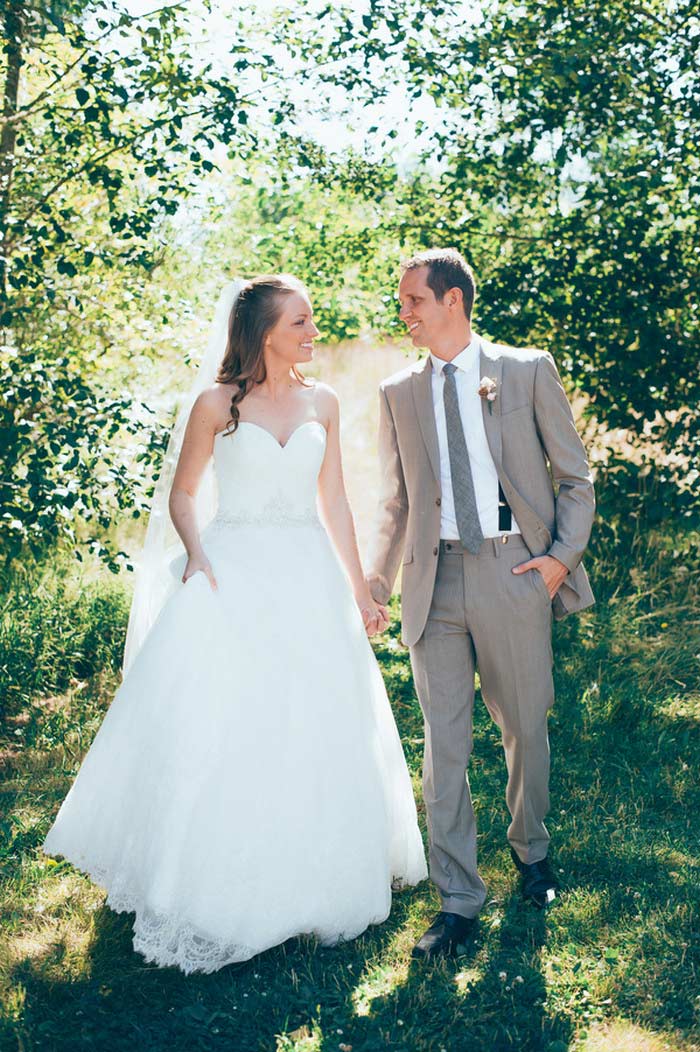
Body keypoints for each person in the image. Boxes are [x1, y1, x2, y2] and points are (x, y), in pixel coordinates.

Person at [43, 274, 427, 974]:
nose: (314, 332)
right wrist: (196, 556)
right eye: (301, 322)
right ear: (264, 332)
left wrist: (363, 589)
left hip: (307, 574)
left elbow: (335, 501)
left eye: (311, 321)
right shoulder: (215, 404)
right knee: (230, 719)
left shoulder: (326, 402)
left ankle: (316, 874)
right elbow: (184, 495)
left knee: (313, 718)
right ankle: (209, 880)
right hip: (233, 569)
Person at [367, 248, 595, 959]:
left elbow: (575, 477)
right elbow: (395, 502)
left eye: (413, 300)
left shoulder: (525, 370)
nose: (403, 312)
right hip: (433, 583)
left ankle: (531, 852)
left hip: (514, 570)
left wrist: (558, 561)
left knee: (525, 726)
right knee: (444, 745)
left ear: (453, 302)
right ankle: (459, 898)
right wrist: (374, 587)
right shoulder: (398, 391)